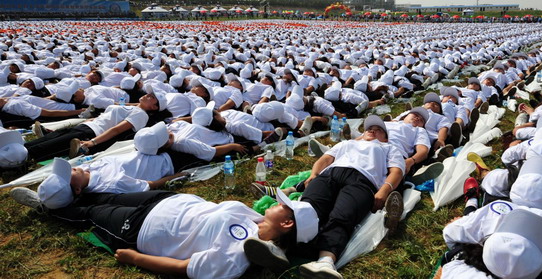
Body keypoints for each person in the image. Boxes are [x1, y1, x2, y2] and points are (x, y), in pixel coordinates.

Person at [9, 185, 318, 279]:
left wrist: (135, 259)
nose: (277, 203)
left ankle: (46, 207)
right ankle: (65, 193)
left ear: (287, 223)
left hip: (144, 231)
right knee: (105, 197)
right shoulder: (253, 218)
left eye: (283, 206)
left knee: (90, 214)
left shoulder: (234, 259)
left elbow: (184, 269)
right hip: (165, 201)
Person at [245, 115, 405, 279]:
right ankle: (279, 246)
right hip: (331, 174)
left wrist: (384, 191)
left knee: (342, 215)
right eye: (370, 128)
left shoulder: (389, 149)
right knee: (306, 208)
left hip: (363, 181)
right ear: (362, 134)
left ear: (385, 139)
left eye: (379, 130)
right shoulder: (347, 143)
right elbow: (326, 159)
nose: (373, 130)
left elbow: (396, 172)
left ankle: (326, 261)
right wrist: (314, 174)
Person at [23, 91, 167, 161]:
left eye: (152, 97)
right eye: (150, 93)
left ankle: (15, 161)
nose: (148, 94)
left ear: (154, 107)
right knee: (40, 142)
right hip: (86, 126)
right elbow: (110, 112)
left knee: (42, 149)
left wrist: (92, 142)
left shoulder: (142, 115)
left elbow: (116, 130)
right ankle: (17, 152)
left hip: (92, 133)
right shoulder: (133, 108)